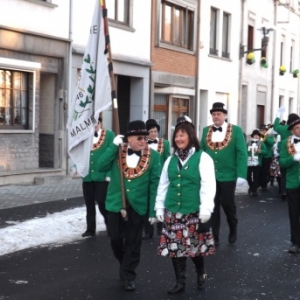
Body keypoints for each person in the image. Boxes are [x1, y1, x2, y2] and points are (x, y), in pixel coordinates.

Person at [97, 120, 161, 291]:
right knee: (115, 239)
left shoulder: (154, 157)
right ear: (129, 138)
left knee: (133, 242)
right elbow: (100, 166)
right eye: (139, 138)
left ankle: (128, 275)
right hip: (116, 203)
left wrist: (153, 210)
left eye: (145, 138)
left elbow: (155, 184)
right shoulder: (117, 151)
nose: (143, 141)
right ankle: (124, 262)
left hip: (138, 206)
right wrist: (112, 146)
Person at [155, 116, 216, 295]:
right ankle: (180, 281)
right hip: (173, 211)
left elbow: (208, 185)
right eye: (176, 136)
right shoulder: (170, 160)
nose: (178, 139)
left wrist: (206, 209)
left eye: (182, 135)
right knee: (176, 248)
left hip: (194, 211)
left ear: (190, 136)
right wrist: (159, 207)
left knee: (195, 248)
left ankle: (200, 272)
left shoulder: (203, 158)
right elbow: (163, 185)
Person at [200, 102, 248, 246]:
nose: (216, 117)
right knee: (212, 206)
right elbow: (200, 152)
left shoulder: (236, 130)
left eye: (219, 114)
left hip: (228, 175)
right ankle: (214, 236)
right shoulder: (205, 130)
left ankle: (233, 228)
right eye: (213, 114)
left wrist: (242, 174)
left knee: (228, 205)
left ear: (225, 115)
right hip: (210, 177)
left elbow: (242, 153)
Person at [81, 117, 115, 237]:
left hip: (102, 176)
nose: (94, 126)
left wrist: (109, 174)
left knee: (102, 204)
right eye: (92, 124)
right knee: (89, 204)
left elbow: (112, 155)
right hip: (88, 176)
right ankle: (90, 229)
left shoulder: (109, 135)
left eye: (97, 123)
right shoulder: (85, 135)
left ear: (100, 123)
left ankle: (110, 226)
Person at [142, 119, 171, 239]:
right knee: (147, 202)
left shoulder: (165, 143)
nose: (153, 133)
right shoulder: (142, 144)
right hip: (145, 177)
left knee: (160, 201)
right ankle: (148, 231)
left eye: (155, 131)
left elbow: (168, 160)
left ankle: (160, 226)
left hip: (160, 177)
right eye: (151, 131)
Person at [279, 113, 300, 254]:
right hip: (293, 183)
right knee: (294, 214)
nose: (299, 130)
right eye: (297, 128)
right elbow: (282, 163)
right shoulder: (285, 143)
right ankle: (295, 242)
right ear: (292, 130)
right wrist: (294, 158)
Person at [273, 107, 294, 200]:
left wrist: (278, 115)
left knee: (284, 174)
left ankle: (283, 191)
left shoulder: (283, 128)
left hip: (284, 152)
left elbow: (275, 126)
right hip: (296, 152)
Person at [246, 130, 266, 196]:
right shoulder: (248, 143)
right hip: (249, 161)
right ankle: (251, 186)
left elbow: (265, 152)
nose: (256, 137)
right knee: (248, 175)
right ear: (252, 136)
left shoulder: (261, 143)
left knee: (256, 176)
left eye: (257, 135)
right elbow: (244, 151)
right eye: (255, 135)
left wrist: (261, 151)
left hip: (257, 162)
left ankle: (254, 189)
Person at [258, 124, 275, 191]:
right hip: (259, 156)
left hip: (267, 156)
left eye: (264, 130)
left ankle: (264, 185)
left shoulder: (270, 136)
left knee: (265, 171)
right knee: (258, 171)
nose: (262, 131)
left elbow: (272, 143)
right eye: (261, 130)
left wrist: (265, 137)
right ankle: (258, 183)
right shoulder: (257, 136)